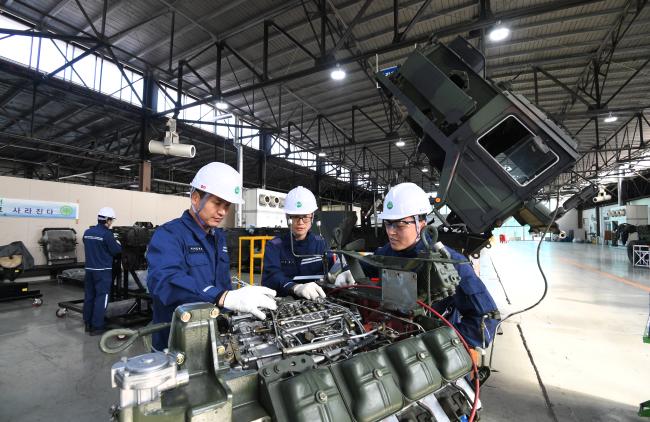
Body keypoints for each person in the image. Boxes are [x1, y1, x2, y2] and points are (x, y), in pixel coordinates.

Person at [146, 162, 277, 350]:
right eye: (217, 203)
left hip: (214, 340)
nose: (223, 212)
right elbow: (165, 281)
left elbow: (223, 284)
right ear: (196, 198)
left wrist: (232, 303)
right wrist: (222, 296)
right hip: (175, 344)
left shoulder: (218, 238)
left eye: (227, 205)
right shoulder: (169, 235)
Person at [372, 182, 499, 348]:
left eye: (400, 224)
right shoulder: (387, 253)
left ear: (421, 224)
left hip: (428, 350)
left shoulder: (451, 263)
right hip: (389, 338)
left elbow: (486, 320)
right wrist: (345, 273)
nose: (390, 231)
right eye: (388, 223)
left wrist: (441, 344)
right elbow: (362, 269)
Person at [262, 186, 332, 300]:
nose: (300, 222)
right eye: (295, 217)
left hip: (317, 300)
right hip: (285, 302)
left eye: (305, 217)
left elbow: (332, 266)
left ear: (312, 217)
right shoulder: (274, 246)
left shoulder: (321, 243)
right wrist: (295, 287)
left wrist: (339, 273)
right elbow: (271, 277)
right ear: (287, 218)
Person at [83, 207, 122, 336]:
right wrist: (118, 242)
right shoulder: (107, 234)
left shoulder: (87, 232)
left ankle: (88, 323)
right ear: (107, 220)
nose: (111, 223)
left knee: (89, 296)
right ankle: (98, 326)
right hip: (103, 271)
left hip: (89, 270)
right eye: (111, 220)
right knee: (102, 297)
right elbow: (116, 250)